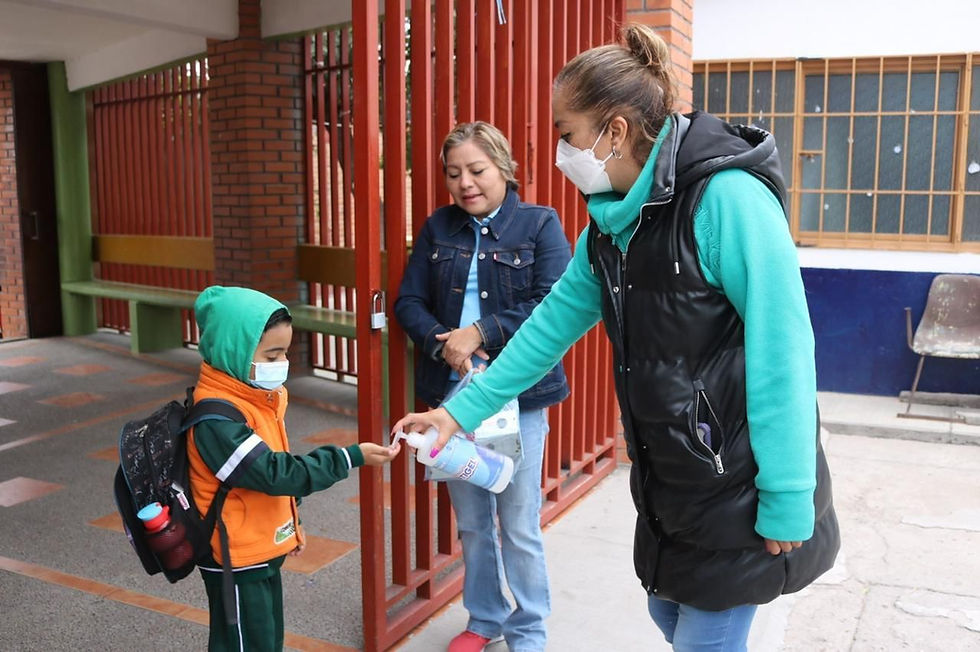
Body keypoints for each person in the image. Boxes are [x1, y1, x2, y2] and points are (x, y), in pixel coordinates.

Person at [393, 25, 840, 652]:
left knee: (703, 639)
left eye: (566, 134)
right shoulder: (609, 227)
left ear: (617, 131)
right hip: (671, 478)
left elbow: (784, 352)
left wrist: (788, 495)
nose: (560, 152)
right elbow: (546, 329)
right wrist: (455, 412)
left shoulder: (726, 200)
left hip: (737, 473)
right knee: (666, 613)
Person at [394, 121, 572, 652]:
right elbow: (408, 303)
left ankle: (529, 631)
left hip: (516, 398)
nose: (465, 183)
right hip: (451, 398)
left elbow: (553, 303)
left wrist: (482, 332)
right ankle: (485, 619)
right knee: (472, 523)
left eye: (477, 170)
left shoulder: (540, 225)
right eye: (454, 174)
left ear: (503, 168)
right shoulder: (438, 228)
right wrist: (444, 343)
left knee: (518, 523)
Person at [188, 285, 399, 651]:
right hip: (233, 555)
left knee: (267, 639)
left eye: (283, 353)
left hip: (258, 545)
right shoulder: (215, 419)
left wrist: (290, 530)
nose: (281, 364)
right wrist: (350, 457)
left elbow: (269, 479)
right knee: (242, 643)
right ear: (233, 350)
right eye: (271, 355)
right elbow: (276, 473)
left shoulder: (256, 398)